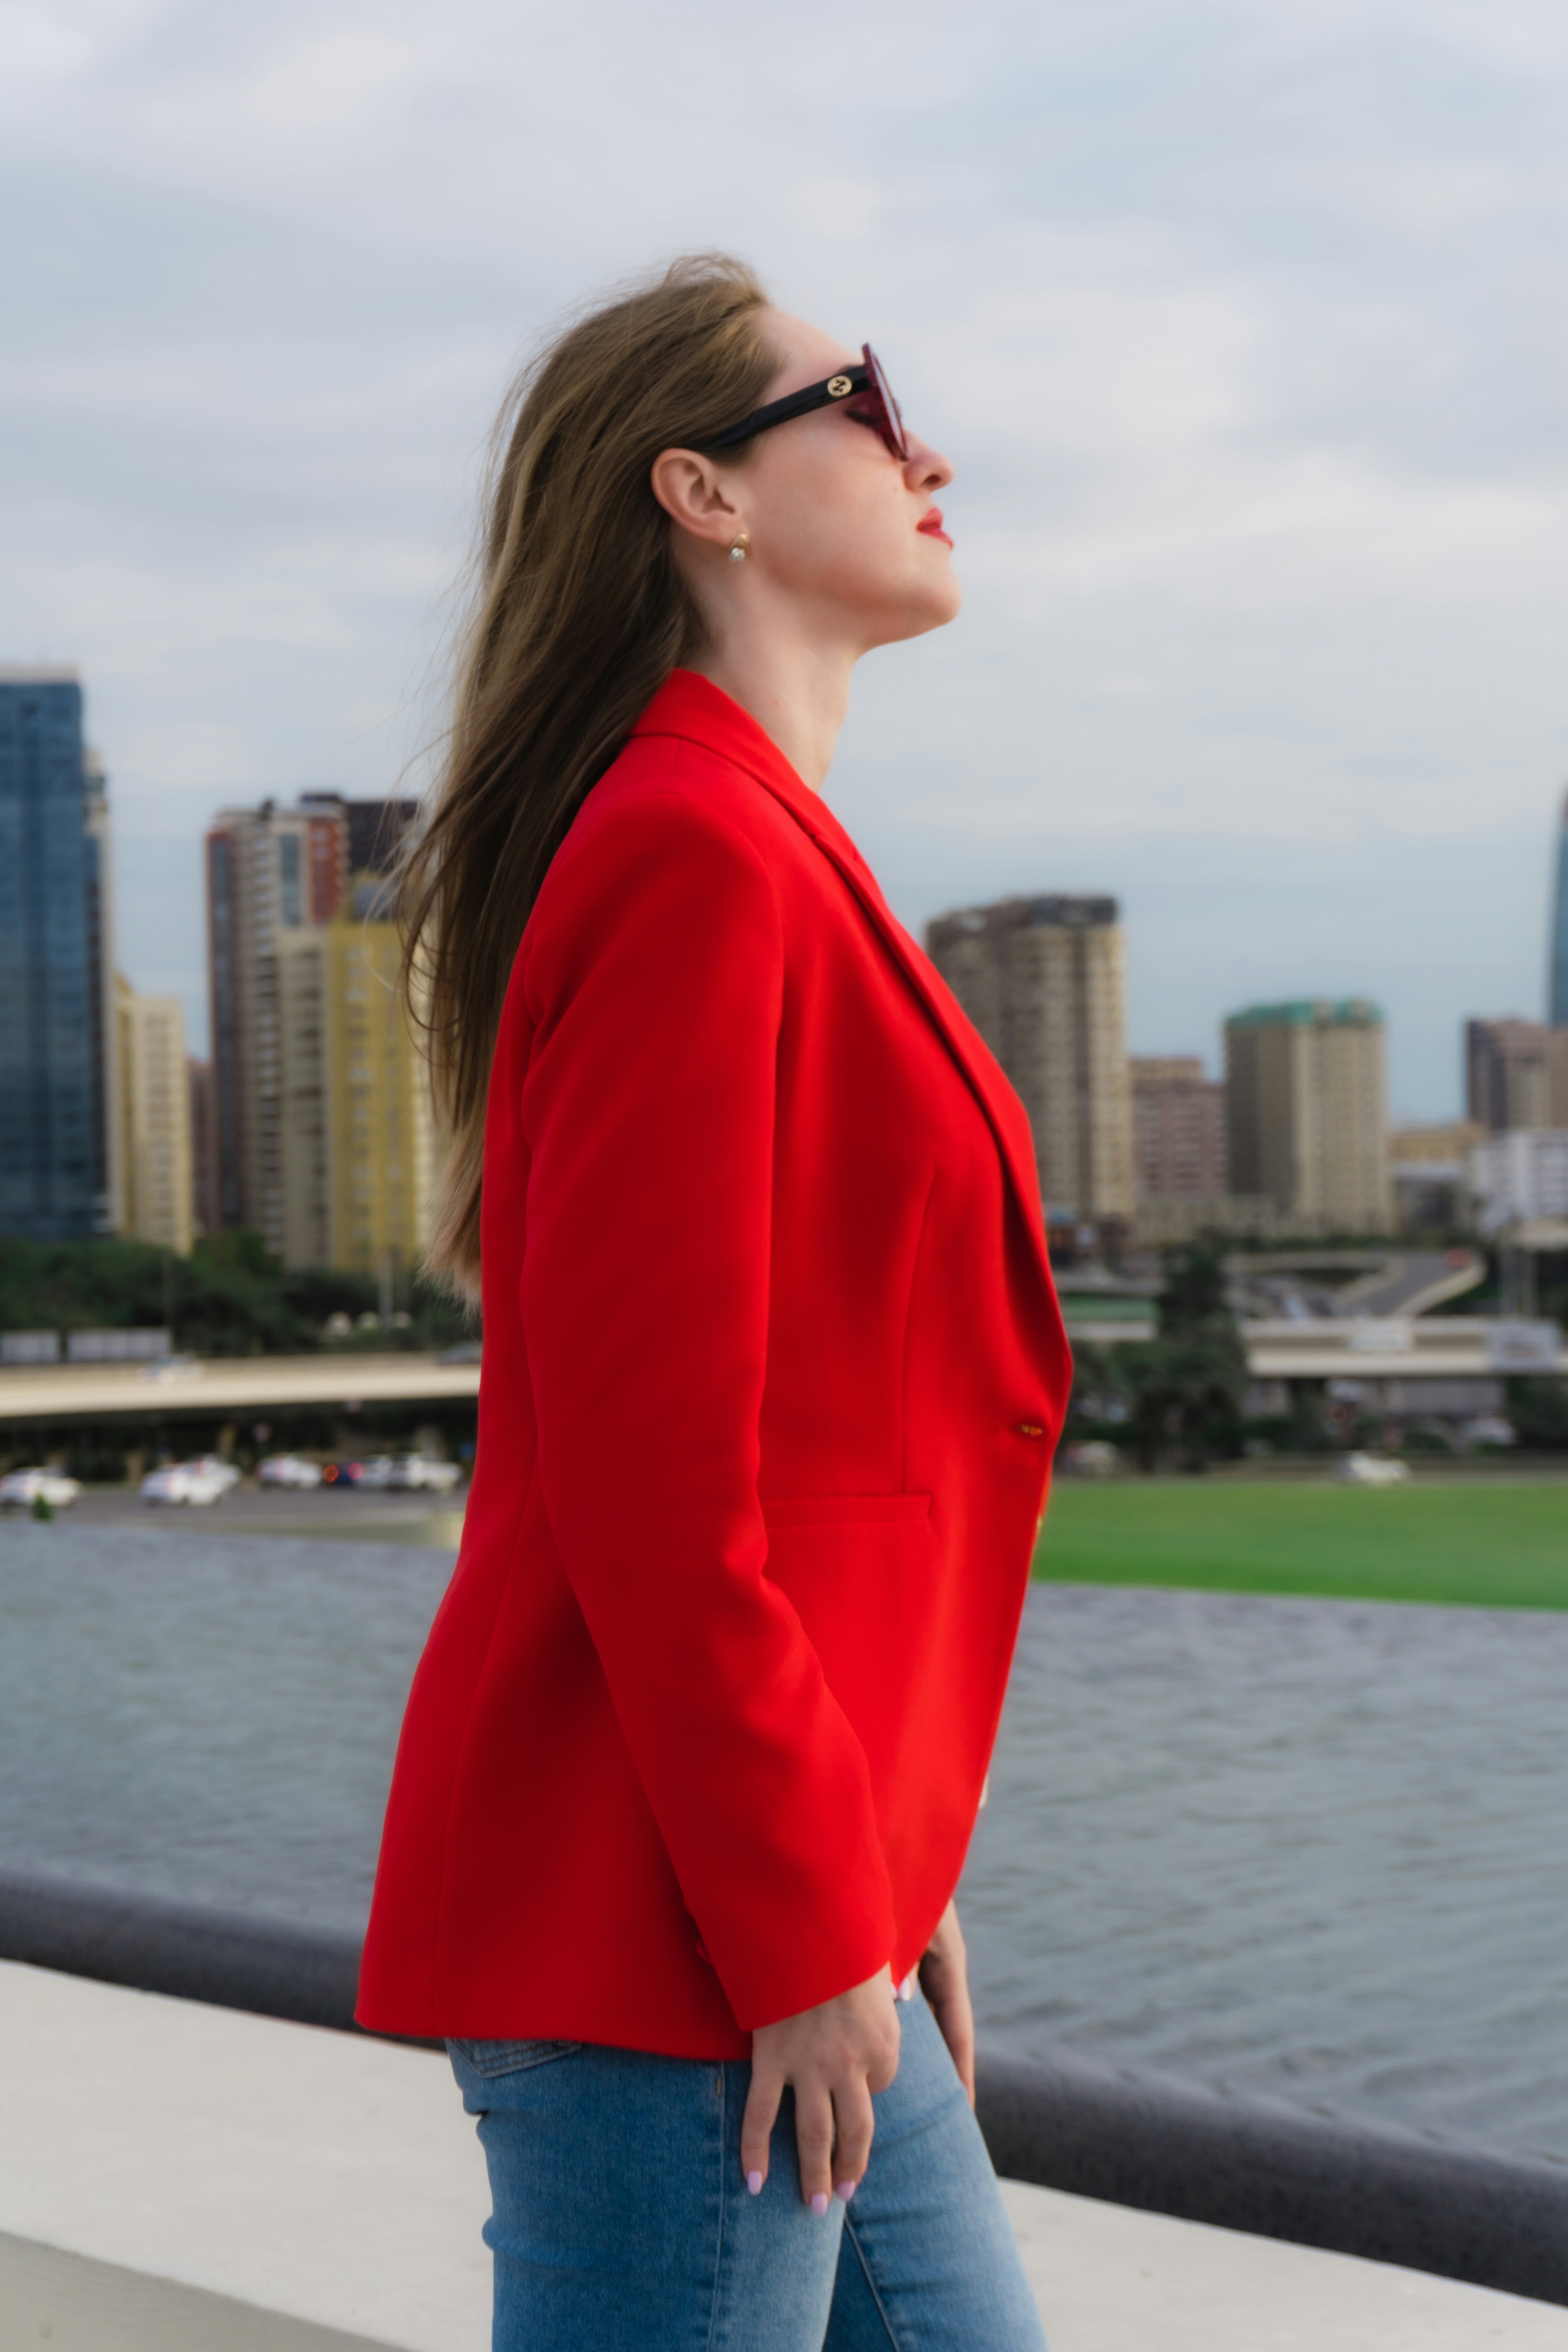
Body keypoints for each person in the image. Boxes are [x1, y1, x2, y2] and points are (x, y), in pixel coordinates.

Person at [358, 252, 1071, 2350]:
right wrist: (795, 1922)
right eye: (864, 395)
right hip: (677, 1934)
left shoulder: (763, 847)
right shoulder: (693, 856)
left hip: (793, 1903)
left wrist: (880, 1870)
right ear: (707, 494)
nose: (924, 445)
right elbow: (655, 1481)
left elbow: (817, 1432)